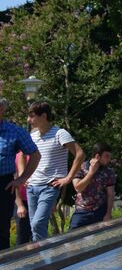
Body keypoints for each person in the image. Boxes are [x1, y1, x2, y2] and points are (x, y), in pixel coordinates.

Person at [26, 101, 83, 240]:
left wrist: (68, 178)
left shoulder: (60, 133)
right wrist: (25, 176)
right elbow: (23, 156)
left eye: (32, 116)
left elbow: (80, 154)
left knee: (37, 224)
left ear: (44, 116)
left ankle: (42, 256)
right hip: (32, 186)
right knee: (35, 227)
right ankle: (41, 257)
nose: (29, 120)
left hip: (49, 186)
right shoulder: (33, 136)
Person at [0, 98, 39, 249]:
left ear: (1, 110)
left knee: (2, 229)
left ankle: (4, 268)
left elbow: (35, 155)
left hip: (3, 184)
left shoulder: (14, 131)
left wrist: (22, 179)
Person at [71, 143, 117, 230]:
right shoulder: (81, 167)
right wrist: (91, 173)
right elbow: (78, 188)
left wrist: (108, 214)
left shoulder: (108, 172)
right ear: (97, 156)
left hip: (100, 210)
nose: (109, 159)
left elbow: (110, 194)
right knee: (72, 236)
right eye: (106, 156)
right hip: (82, 211)